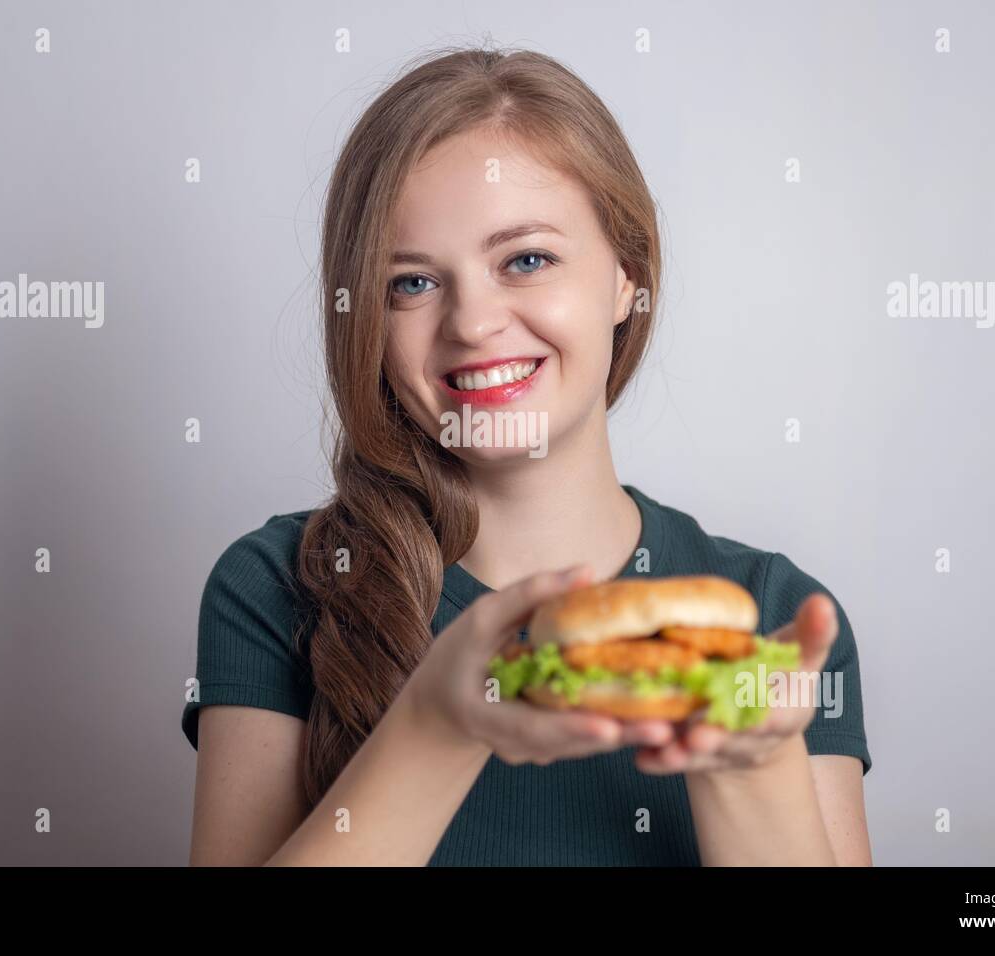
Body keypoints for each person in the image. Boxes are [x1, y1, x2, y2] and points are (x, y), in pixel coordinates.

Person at [183, 47, 872, 866]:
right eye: (410, 283)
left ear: (626, 276)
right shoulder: (275, 589)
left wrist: (749, 767)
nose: (472, 322)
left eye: (526, 260)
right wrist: (439, 725)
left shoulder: (769, 613)